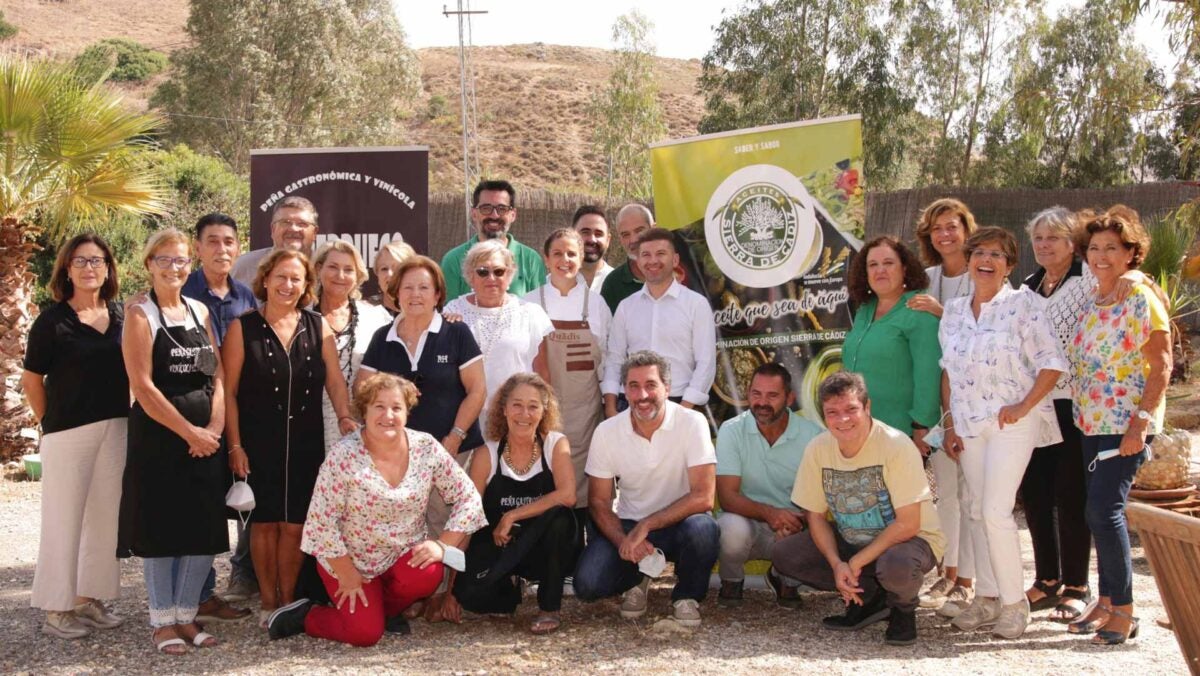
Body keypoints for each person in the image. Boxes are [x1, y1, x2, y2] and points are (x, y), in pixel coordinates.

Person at [266, 373, 487, 646]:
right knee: (365, 635)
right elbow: (320, 522)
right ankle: (307, 615)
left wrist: (443, 545)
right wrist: (346, 572)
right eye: (379, 407)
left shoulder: (426, 448)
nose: (388, 415)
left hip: (400, 558)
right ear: (364, 411)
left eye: (396, 407)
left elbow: (468, 497)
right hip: (350, 561)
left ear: (407, 412)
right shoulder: (343, 456)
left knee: (430, 572)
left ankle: (385, 611)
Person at [939, 226, 1067, 640]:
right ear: (969, 259)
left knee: (995, 510)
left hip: (1012, 422)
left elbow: (1052, 362)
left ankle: (1016, 604)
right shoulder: (955, 312)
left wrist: (1023, 406)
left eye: (997, 254)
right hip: (969, 423)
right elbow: (949, 372)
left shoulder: (1024, 305)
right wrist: (950, 423)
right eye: (980, 253)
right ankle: (988, 598)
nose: (986, 261)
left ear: (1010, 265)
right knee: (976, 509)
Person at [222, 249, 358, 626]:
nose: (287, 285)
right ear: (265, 280)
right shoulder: (242, 327)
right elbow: (228, 392)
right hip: (256, 441)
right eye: (280, 277)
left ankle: (289, 599)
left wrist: (345, 416)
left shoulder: (318, 326)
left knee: (297, 523)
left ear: (305, 285)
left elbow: (334, 379)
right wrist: (234, 445)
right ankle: (268, 601)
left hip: (305, 439)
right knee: (264, 524)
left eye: (295, 279)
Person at [770, 372, 944, 647]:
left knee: (896, 565)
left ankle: (903, 608)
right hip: (855, 538)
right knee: (785, 553)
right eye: (833, 412)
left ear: (867, 407)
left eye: (851, 409)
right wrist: (837, 564)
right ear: (823, 415)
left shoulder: (896, 445)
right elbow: (815, 515)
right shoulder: (818, 449)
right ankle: (872, 597)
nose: (843, 420)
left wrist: (855, 562)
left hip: (910, 541)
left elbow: (908, 524)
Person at [117, 229, 229, 654]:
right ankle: (162, 621)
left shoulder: (200, 310)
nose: (175, 268)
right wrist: (189, 433)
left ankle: (187, 616)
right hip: (161, 439)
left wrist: (214, 430)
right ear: (149, 264)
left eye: (182, 260)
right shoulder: (140, 315)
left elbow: (216, 374)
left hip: (206, 440)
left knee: (202, 529)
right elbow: (143, 387)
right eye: (165, 260)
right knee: (162, 529)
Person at [1065, 206, 1171, 645]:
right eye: (1094, 248)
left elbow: (1162, 365)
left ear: (1131, 253)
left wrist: (1139, 426)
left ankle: (1125, 610)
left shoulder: (1139, 296)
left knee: (1104, 513)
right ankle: (1106, 601)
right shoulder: (1098, 297)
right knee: (1097, 512)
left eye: (1112, 247)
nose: (1101, 255)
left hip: (1125, 423)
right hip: (1092, 422)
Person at [24, 234, 129, 640]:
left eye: (97, 260)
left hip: (116, 427)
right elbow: (32, 380)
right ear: (66, 269)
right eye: (81, 261)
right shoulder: (52, 321)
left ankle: (90, 599)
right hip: (67, 432)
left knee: (105, 520)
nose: (89, 268)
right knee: (63, 520)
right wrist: (49, 420)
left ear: (108, 268)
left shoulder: (120, 315)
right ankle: (57, 608)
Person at [573, 351, 720, 628]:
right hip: (629, 525)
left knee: (704, 529)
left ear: (667, 388)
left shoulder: (692, 423)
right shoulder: (607, 432)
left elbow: (704, 496)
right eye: (633, 386)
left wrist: (648, 525)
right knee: (588, 585)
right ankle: (636, 580)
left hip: (680, 525)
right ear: (624, 392)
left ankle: (687, 596)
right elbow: (599, 502)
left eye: (651, 385)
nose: (642, 395)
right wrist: (623, 541)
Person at [453, 374, 578, 634]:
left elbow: (568, 495)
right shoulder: (486, 453)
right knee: (469, 595)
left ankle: (549, 606)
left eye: (533, 406)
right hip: (502, 550)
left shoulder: (555, 444)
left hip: (544, 552)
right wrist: (450, 589)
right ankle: (508, 592)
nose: (524, 413)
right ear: (504, 409)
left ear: (544, 411)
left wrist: (511, 516)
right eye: (517, 405)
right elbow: (467, 516)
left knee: (561, 519)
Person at [1017, 207, 1095, 622]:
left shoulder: (1088, 282)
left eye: (1053, 237)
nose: (1044, 245)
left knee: (1070, 495)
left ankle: (1077, 585)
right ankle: (1046, 579)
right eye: (1038, 238)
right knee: (1034, 493)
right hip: (1034, 403)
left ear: (1071, 242)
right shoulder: (1027, 287)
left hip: (1073, 405)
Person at [181, 212, 258, 622]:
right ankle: (194, 594)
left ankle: (224, 585)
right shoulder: (181, 292)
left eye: (229, 241)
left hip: (240, 413)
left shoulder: (245, 295)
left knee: (237, 501)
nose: (221, 249)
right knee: (200, 507)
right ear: (197, 248)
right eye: (212, 241)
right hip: (195, 414)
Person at [906, 198, 978, 614]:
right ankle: (948, 573)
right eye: (937, 229)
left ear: (966, 230)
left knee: (973, 496)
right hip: (935, 401)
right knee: (945, 494)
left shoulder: (983, 272)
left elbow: (981, 324)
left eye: (952, 227)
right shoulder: (926, 277)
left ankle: (968, 579)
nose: (945, 235)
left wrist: (943, 312)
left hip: (972, 401)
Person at [360, 256, 486, 461]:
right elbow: (363, 390)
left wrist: (455, 436)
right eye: (407, 287)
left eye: (424, 288)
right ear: (397, 294)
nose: (415, 294)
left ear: (437, 295)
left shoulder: (457, 332)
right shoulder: (382, 337)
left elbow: (477, 390)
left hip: (451, 451)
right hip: (396, 455)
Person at [715, 363, 821, 608]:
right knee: (729, 529)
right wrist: (771, 514)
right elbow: (727, 497)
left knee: (812, 532)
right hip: (747, 523)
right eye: (756, 394)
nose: (762, 403)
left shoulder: (813, 436)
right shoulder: (732, 431)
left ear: (790, 398)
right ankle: (731, 581)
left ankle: (786, 580)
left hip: (791, 524)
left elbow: (819, 499)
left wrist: (798, 521)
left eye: (772, 395)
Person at [523, 228, 611, 509]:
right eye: (557, 253)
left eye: (572, 253)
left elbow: (608, 358)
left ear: (581, 257)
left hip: (585, 412)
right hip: (540, 408)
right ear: (546, 259)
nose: (565, 259)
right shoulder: (528, 303)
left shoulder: (596, 304)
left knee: (585, 485)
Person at [841, 236, 942, 453]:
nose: (880, 271)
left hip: (900, 433)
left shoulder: (919, 310)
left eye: (888, 263)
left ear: (904, 268)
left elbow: (929, 375)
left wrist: (921, 425)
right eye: (873, 265)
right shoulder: (864, 310)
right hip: (860, 428)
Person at [603, 228, 716, 418]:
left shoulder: (696, 305)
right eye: (646, 255)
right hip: (631, 404)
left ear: (675, 260)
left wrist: (683, 410)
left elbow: (706, 363)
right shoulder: (626, 307)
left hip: (680, 403)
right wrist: (611, 407)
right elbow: (614, 359)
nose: (653, 261)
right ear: (638, 261)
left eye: (661, 254)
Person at [444, 239, 553, 427]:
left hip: (516, 417)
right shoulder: (454, 311)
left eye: (499, 271)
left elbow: (541, 372)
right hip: (464, 416)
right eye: (483, 272)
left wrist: (543, 419)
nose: (491, 278)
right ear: (470, 276)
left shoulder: (530, 313)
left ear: (510, 275)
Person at [313, 241, 393, 451]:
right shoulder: (300, 317)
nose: (340, 275)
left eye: (348, 269)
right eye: (333, 267)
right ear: (319, 269)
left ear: (358, 276)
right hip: (309, 425)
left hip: (363, 425)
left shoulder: (377, 317)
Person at [440, 180, 547, 302]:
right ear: (474, 213)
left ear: (513, 214)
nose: (494, 215)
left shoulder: (531, 259)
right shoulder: (453, 259)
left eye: (502, 209)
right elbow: (447, 313)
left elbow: (540, 310)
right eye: (486, 208)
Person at [230, 196, 320, 287]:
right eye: (285, 222)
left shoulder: (325, 270)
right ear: (273, 229)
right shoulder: (244, 267)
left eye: (302, 224)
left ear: (314, 233)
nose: (293, 228)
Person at [599, 203, 653, 313]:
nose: (633, 240)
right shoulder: (613, 284)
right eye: (625, 234)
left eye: (639, 231)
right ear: (620, 239)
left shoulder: (676, 274)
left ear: (654, 229)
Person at [573, 204, 614, 292]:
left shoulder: (618, 283)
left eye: (598, 234)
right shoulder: (552, 283)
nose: (592, 240)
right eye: (585, 232)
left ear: (608, 240)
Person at [371, 238, 416, 313]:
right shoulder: (364, 312)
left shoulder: (426, 312)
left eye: (396, 268)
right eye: (384, 269)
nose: (389, 274)